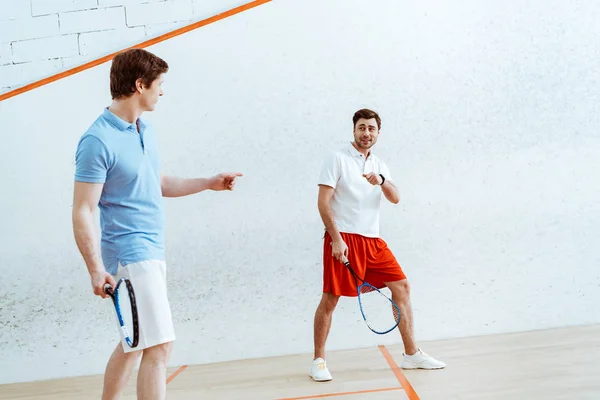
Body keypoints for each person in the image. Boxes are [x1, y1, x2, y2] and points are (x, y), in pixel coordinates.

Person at [71, 48, 242, 399]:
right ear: (139, 85)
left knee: (134, 343)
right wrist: (94, 269)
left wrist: (209, 182)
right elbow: (82, 210)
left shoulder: (144, 130)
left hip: (151, 251)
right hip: (129, 254)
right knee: (160, 346)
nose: (162, 91)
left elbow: (159, 183)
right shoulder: (97, 140)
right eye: (159, 84)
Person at [310, 108, 445, 382]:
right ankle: (319, 361)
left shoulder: (380, 164)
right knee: (331, 299)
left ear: (378, 133)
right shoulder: (336, 158)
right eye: (362, 128)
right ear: (354, 130)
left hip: (373, 241)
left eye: (371, 128)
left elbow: (395, 198)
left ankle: (411, 354)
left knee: (402, 286)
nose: (366, 133)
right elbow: (323, 202)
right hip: (343, 238)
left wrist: (381, 180)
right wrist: (336, 239)